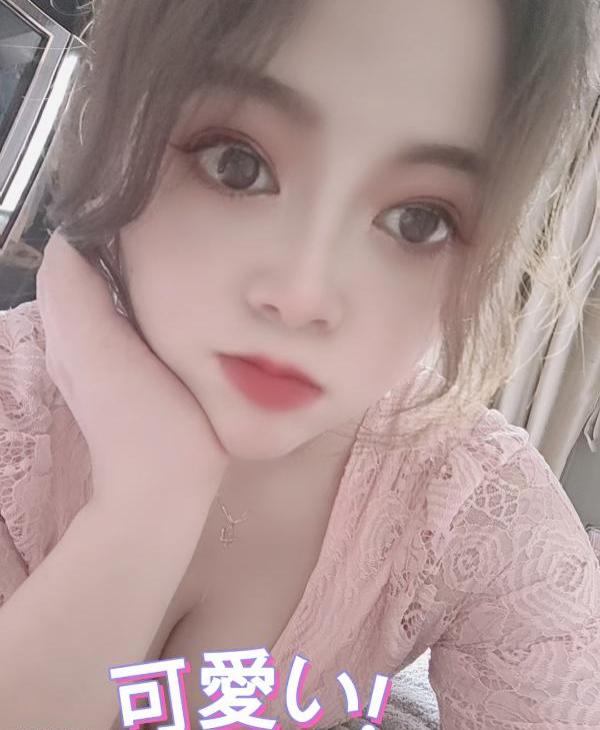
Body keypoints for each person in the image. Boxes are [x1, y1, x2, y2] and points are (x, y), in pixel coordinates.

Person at [1, 1, 599, 728]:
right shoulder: (13, 412)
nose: (304, 295)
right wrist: (146, 504)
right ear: (117, 129)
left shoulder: (470, 502)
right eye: (237, 165)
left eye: (418, 220)